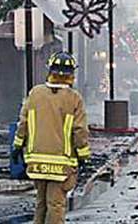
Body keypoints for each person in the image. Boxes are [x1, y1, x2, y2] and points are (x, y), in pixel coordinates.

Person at [12, 51, 91, 224]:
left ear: (50, 71)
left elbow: (23, 124)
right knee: (55, 205)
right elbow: (80, 131)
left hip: (36, 162)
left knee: (41, 203)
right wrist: (84, 156)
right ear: (71, 75)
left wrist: (17, 146)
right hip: (62, 164)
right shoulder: (74, 98)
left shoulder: (35, 94)